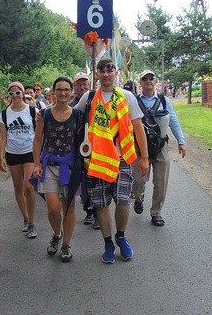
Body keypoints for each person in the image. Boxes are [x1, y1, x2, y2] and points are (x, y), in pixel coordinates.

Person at [74, 58, 149, 264]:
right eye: (101, 70)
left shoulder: (127, 96)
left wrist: (144, 157)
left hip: (122, 158)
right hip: (96, 160)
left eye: (110, 69)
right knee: (102, 204)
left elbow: (138, 127)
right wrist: (45, 114)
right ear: (97, 74)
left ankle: (121, 237)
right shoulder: (89, 98)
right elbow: (71, 116)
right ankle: (108, 243)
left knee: (123, 201)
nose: (106, 74)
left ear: (116, 73)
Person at [32, 76, 81, 262]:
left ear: (71, 92)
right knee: (53, 208)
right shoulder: (44, 114)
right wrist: (36, 163)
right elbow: (37, 140)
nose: (63, 93)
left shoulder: (77, 115)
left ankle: (66, 244)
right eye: (59, 89)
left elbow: (82, 139)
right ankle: (56, 234)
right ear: (53, 92)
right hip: (49, 165)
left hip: (69, 166)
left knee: (68, 208)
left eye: (66, 90)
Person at [132, 70, 186, 226]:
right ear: (140, 83)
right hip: (141, 146)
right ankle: (138, 197)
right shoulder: (134, 101)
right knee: (139, 179)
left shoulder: (163, 100)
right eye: (145, 79)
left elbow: (173, 120)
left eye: (151, 78)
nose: (148, 81)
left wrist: (181, 142)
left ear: (155, 81)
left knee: (161, 181)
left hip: (161, 145)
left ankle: (156, 212)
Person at [0, 82, 38, 239]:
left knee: (29, 187)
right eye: (12, 94)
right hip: (13, 152)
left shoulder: (33, 111)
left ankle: (32, 221)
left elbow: (39, 133)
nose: (15, 96)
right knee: (18, 187)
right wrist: (0, 157)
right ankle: (26, 218)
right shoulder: (5, 114)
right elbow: (3, 137)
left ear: (23, 94)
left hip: (29, 151)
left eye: (18, 93)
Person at [70, 72, 99, 230]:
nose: (82, 87)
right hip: (78, 146)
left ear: (89, 85)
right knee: (83, 180)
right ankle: (88, 209)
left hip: (96, 146)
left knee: (95, 178)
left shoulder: (95, 98)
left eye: (84, 83)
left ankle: (97, 212)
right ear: (74, 87)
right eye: (78, 84)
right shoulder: (70, 103)